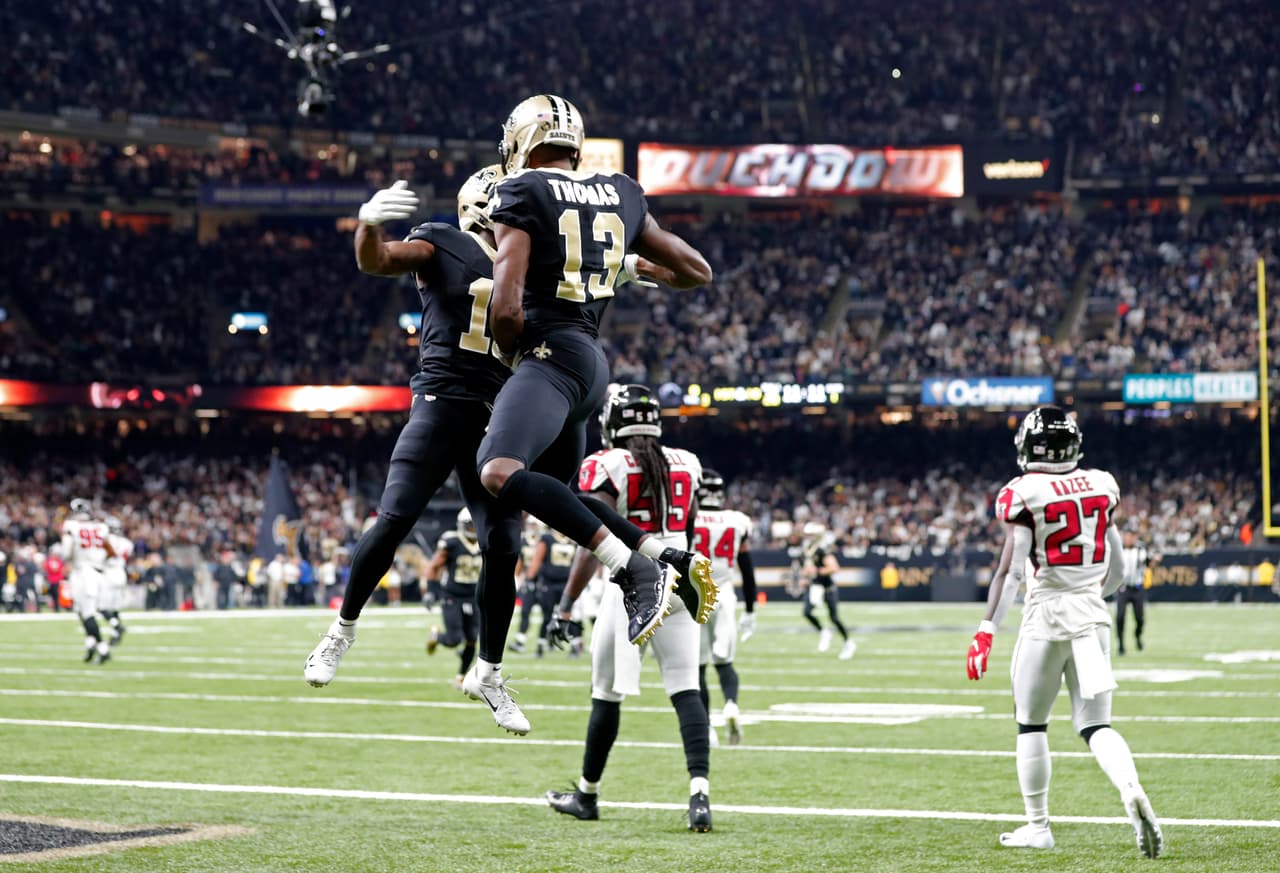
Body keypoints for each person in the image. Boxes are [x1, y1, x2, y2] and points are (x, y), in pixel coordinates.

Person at [473, 95, 716, 730]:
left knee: (497, 471)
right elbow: (695, 270)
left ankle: (634, 569)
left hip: (549, 356)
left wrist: (513, 355)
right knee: (563, 499)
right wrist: (625, 269)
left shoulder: (520, 189)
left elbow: (506, 306)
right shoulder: (621, 191)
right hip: (591, 367)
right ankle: (666, 556)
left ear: (521, 140)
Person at [302, 166, 525, 736]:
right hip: (441, 402)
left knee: (503, 544)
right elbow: (377, 260)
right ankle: (341, 631)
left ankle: (490, 672)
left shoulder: (527, 260)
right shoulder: (445, 242)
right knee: (395, 517)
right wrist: (367, 225)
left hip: (496, 415)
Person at [966, 406, 1162, 858]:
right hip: (1092, 614)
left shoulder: (1023, 492)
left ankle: (1039, 826)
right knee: (1096, 725)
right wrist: (1089, 594)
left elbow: (1010, 573)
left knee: (1031, 722)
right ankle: (1130, 787)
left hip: (1046, 617)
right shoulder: (1101, 484)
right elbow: (1117, 568)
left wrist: (986, 630)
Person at [543, 385, 714, 833]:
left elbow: (590, 539)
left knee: (605, 692)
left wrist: (566, 605)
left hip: (633, 585)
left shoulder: (607, 463)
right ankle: (700, 795)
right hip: (681, 581)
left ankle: (587, 794)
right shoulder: (687, 462)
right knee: (687, 687)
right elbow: (689, 525)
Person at [691, 469, 757, 746]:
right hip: (725, 594)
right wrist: (751, 610)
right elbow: (747, 569)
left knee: (698, 668)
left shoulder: (689, 519)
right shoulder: (737, 520)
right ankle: (731, 703)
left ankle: (706, 727)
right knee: (725, 663)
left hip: (693, 596)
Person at [425, 508, 484, 688]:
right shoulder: (452, 542)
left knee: (472, 638)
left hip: (474, 597)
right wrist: (430, 591)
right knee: (453, 639)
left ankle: (461, 676)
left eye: (475, 525)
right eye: (470, 526)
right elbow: (433, 566)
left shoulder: (485, 541)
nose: (473, 529)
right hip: (453, 596)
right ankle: (437, 636)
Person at [60, 499, 114, 663]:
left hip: (82, 572)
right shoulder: (101, 527)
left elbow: (66, 553)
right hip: (98, 572)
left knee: (87, 613)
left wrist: (71, 560)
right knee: (81, 610)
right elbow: (110, 550)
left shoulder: (71, 526)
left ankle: (103, 649)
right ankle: (90, 644)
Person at [800, 524, 856, 660]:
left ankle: (848, 642)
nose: (807, 537)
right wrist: (806, 576)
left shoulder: (822, 550)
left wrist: (817, 571)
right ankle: (824, 632)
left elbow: (834, 568)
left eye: (810, 535)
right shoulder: (809, 549)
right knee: (807, 612)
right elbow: (808, 569)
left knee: (834, 618)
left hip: (827, 588)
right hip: (815, 587)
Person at [1115, 531, 1155, 655]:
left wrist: (1154, 560)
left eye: (1130, 536)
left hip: (1137, 588)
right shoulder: (1119, 549)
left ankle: (1138, 635)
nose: (1128, 539)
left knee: (1140, 619)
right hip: (1123, 588)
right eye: (1126, 536)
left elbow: (1150, 563)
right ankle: (1121, 644)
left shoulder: (1141, 549)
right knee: (1120, 616)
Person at [100, 516, 133, 645]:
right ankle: (116, 636)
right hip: (121, 573)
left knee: (100, 607)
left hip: (108, 572)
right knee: (115, 608)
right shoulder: (127, 543)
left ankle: (117, 626)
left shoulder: (106, 540)